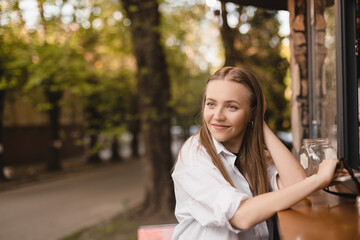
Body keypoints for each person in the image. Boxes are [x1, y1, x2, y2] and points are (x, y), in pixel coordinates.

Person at [171, 66, 341, 240]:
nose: (218, 116)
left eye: (231, 107)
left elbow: (296, 185)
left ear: (252, 111)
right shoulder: (195, 156)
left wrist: (260, 122)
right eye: (211, 104)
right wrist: (319, 179)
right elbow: (241, 216)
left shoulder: (252, 153)